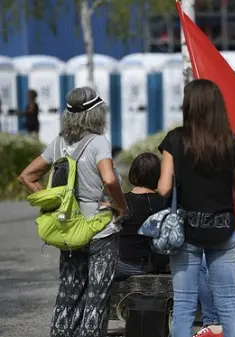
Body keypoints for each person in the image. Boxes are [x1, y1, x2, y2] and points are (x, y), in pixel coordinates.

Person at [18, 86, 126, 337]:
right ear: (97, 114)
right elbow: (109, 179)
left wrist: (54, 203)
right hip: (100, 230)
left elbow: (27, 176)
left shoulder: (59, 143)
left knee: (69, 293)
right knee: (96, 298)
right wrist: (121, 205)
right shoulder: (99, 142)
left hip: (69, 230)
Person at [157, 79, 235, 337]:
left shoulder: (175, 139)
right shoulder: (228, 140)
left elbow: (164, 188)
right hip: (223, 228)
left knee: (184, 304)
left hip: (186, 231)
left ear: (189, 106)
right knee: (228, 302)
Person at [115, 152, 167, 281]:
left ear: (133, 173)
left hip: (125, 263)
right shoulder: (164, 202)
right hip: (153, 264)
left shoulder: (122, 201)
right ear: (158, 175)